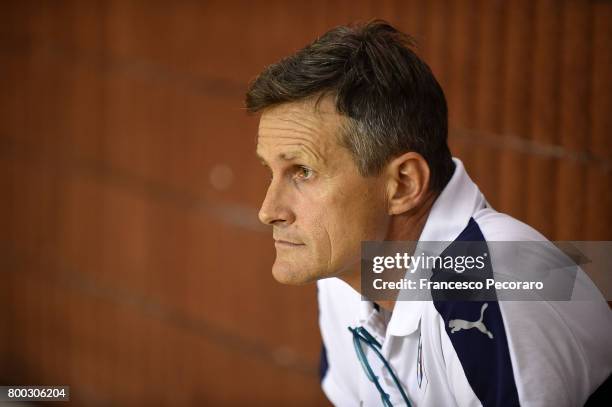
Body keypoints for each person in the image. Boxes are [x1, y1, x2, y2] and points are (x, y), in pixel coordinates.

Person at [245, 21, 612, 406]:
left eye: (303, 171)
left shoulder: (496, 280)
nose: (268, 211)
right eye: (271, 171)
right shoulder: (343, 274)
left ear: (403, 184)